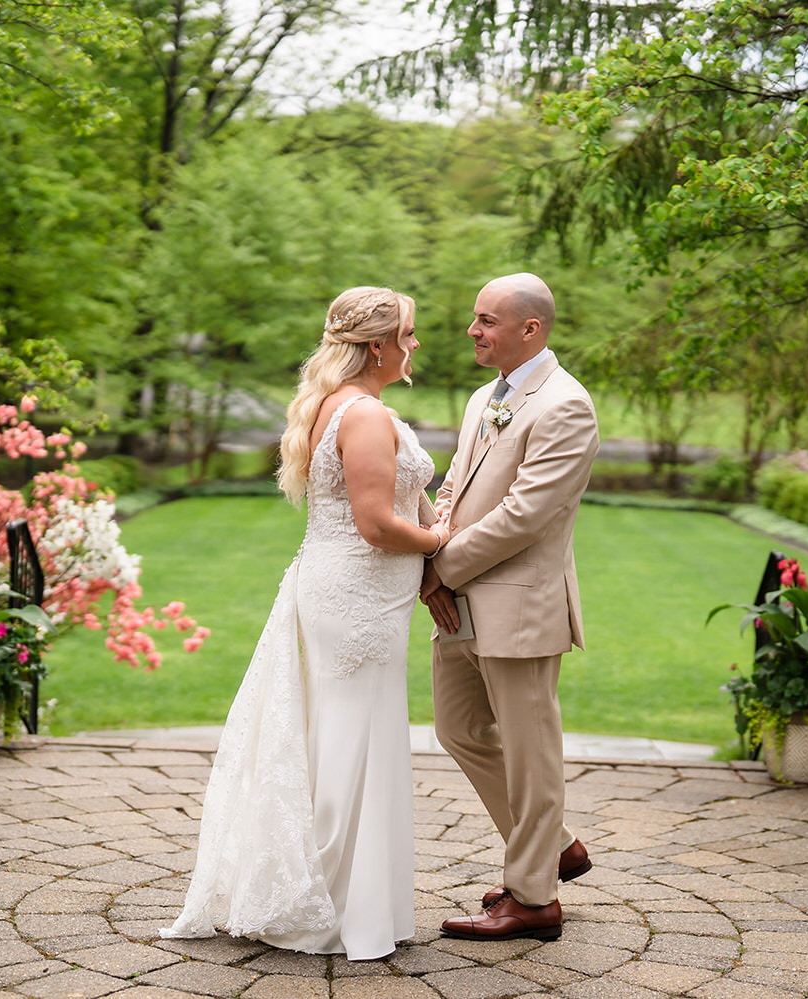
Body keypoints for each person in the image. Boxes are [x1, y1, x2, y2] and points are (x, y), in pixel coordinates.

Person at [161, 286, 446, 961]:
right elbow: (377, 524)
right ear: (376, 344)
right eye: (407, 334)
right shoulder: (366, 415)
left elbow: (395, 500)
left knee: (335, 737)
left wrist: (432, 528)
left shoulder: (336, 404)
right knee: (349, 740)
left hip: (343, 590)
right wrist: (446, 541)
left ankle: (335, 894)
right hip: (356, 597)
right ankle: (334, 906)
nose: (413, 346)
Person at [420, 272, 599, 942]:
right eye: (475, 317)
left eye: (488, 320)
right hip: (459, 603)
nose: (474, 329)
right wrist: (434, 537)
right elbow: (455, 486)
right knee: (458, 727)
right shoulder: (482, 398)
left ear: (532, 329)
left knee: (531, 753)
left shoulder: (566, 406)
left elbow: (525, 516)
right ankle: (555, 847)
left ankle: (532, 898)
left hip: (520, 606)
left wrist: (441, 567)